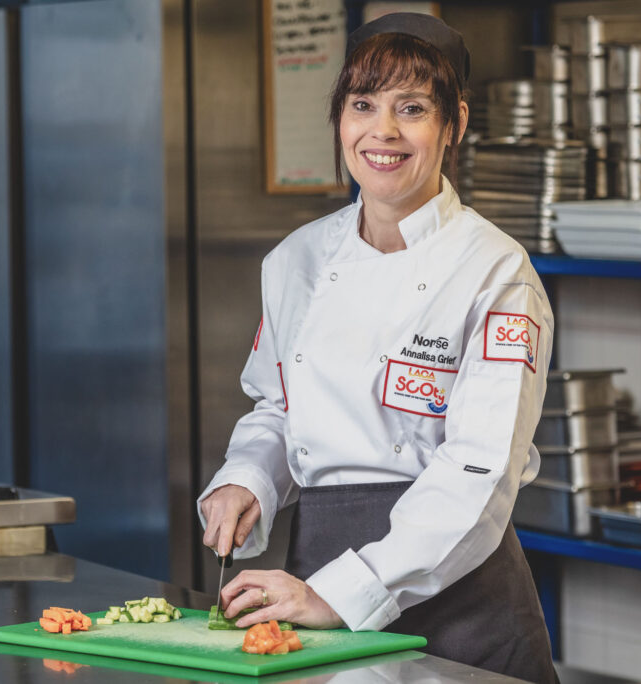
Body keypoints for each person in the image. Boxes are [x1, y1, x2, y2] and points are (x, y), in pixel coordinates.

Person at [198, 12, 557, 683]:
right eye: (363, 105)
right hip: (315, 572)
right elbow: (279, 406)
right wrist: (247, 478)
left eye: (411, 109)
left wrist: (343, 592)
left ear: (453, 126)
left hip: (458, 598)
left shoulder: (495, 272)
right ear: (340, 120)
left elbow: (479, 473)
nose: (382, 132)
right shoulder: (296, 261)